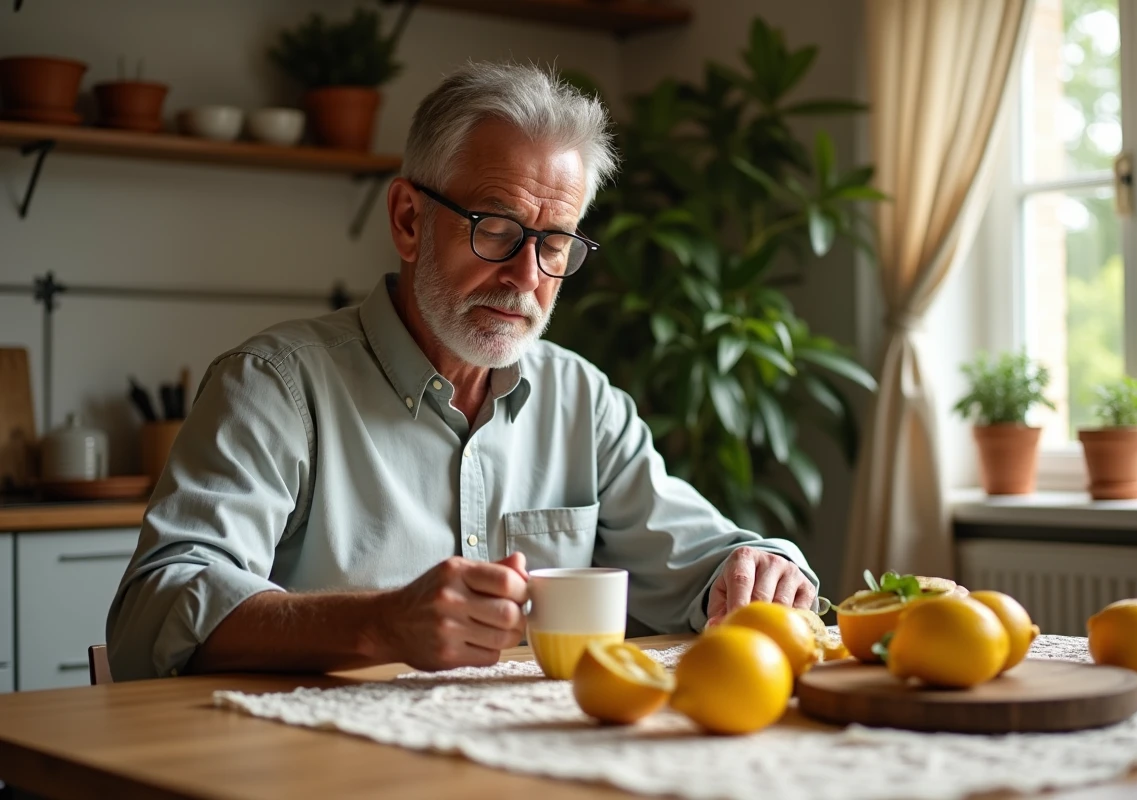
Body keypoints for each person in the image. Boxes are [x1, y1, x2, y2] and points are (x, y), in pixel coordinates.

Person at [106, 62, 818, 681]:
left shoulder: (584, 400)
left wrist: (758, 571)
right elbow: (154, 613)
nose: (526, 277)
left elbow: (709, 561)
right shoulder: (273, 386)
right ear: (409, 220)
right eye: (497, 229)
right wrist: (379, 624)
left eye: (554, 244)